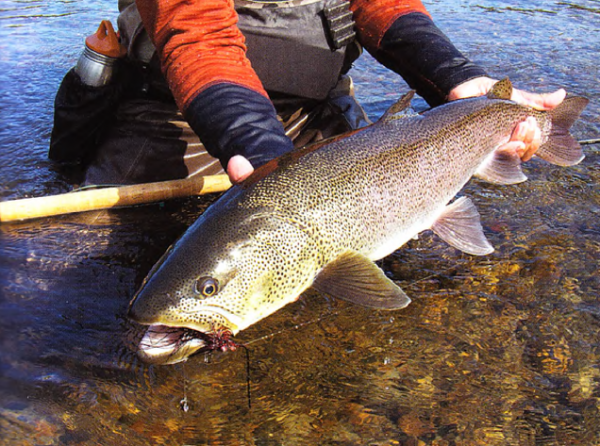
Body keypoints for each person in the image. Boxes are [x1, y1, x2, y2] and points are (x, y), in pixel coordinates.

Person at [49, 0, 565, 186]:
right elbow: (200, 37)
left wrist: (459, 80)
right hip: (184, 114)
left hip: (317, 108)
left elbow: (381, 6)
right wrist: (273, 165)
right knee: (91, 261)